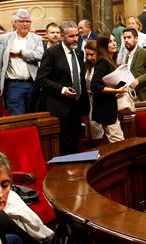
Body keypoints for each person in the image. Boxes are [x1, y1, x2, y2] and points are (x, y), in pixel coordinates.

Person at [36, 21, 91, 155]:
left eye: (77, 35)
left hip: (76, 106)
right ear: (62, 36)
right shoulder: (52, 53)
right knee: (65, 145)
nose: (75, 39)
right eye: (71, 36)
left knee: (75, 142)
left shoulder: (79, 53)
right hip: (60, 106)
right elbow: (41, 79)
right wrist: (62, 89)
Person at [0, 9, 44, 115]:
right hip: (13, 85)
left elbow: (40, 55)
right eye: (22, 21)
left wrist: (21, 53)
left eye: (28, 21)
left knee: (33, 116)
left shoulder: (37, 39)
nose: (25, 24)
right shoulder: (4, 39)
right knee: (18, 118)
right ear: (15, 23)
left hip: (32, 84)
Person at [90, 33, 127, 144]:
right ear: (103, 45)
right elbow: (95, 85)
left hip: (111, 107)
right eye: (110, 41)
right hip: (105, 109)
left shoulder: (110, 60)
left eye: (115, 40)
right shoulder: (102, 61)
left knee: (110, 142)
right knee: (119, 142)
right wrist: (116, 91)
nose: (114, 43)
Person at [83, 40, 104, 146]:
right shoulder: (86, 66)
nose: (89, 57)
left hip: (99, 101)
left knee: (99, 131)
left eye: (92, 54)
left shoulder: (102, 65)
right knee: (92, 133)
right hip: (88, 101)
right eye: (87, 55)